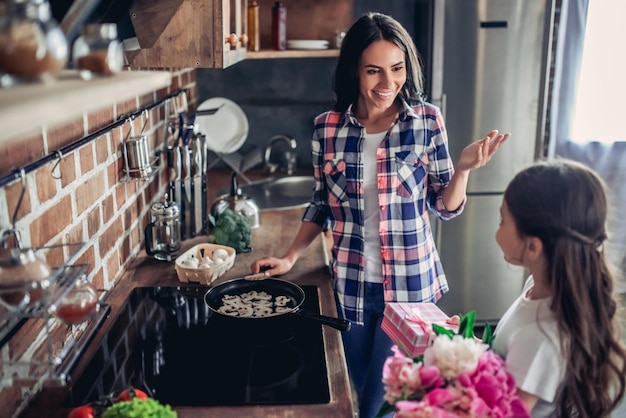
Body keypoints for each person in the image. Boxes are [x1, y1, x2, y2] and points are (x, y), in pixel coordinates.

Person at [250, 12, 509, 418]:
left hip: (410, 291)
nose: (388, 84)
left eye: (397, 68)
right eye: (374, 71)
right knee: (355, 389)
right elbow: (321, 202)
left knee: (381, 403)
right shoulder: (326, 129)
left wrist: (462, 170)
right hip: (351, 286)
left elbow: (445, 207)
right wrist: (290, 256)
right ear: (354, 69)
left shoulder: (426, 121)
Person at [491, 159, 626, 417]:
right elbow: (509, 360)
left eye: (502, 220)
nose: (498, 228)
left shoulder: (540, 338)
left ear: (533, 247)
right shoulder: (540, 288)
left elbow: (503, 413)